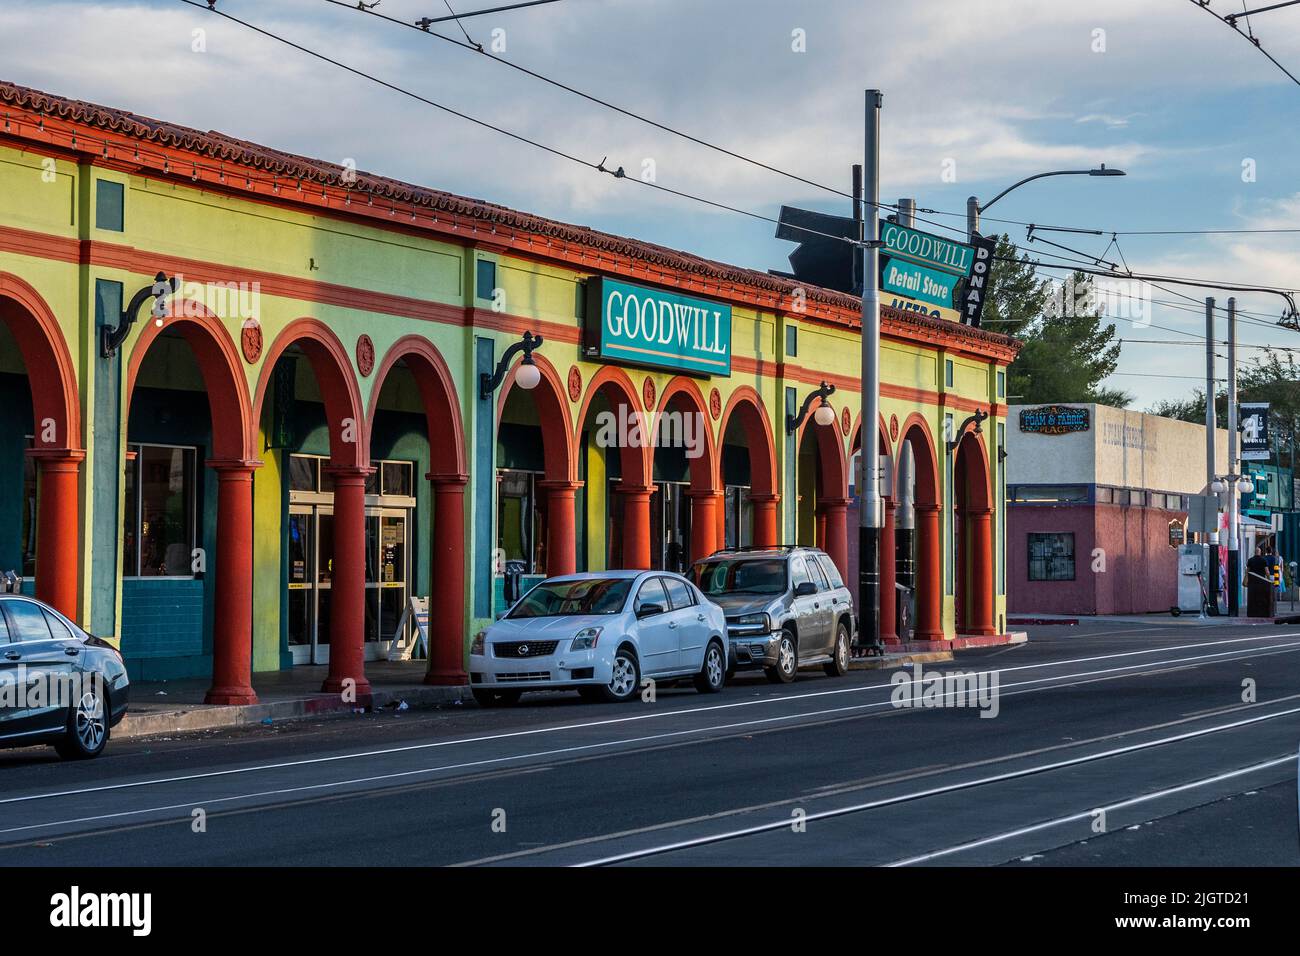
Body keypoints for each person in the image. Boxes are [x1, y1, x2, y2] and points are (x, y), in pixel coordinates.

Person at [1245, 545, 1272, 618]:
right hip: (1261, 582)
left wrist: (1246, 580)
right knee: (1260, 597)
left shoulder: (1250, 560)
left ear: (1254, 552)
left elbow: (1247, 571)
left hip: (1252, 582)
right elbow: (1267, 572)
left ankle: (1252, 612)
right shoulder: (1263, 560)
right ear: (1260, 552)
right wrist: (1269, 580)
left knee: (1252, 598)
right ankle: (1260, 611)